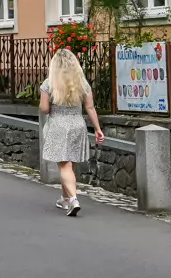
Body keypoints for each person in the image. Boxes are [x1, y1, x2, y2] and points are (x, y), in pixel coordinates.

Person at [39, 47, 104, 216]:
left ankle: (73, 199)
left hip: (58, 125)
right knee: (70, 164)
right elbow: (89, 107)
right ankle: (65, 198)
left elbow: (45, 109)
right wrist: (97, 129)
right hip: (77, 123)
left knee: (64, 165)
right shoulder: (82, 84)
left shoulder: (49, 84)